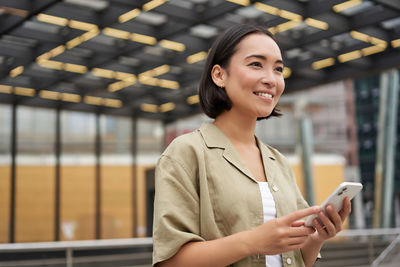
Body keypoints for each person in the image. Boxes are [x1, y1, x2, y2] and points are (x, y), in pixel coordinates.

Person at [152, 24, 351, 267]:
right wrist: (253, 242)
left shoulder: (278, 161)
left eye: (278, 69)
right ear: (219, 75)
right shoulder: (186, 153)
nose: (271, 79)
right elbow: (169, 262)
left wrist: (318, 236)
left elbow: (296, 258)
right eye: (256, 64)